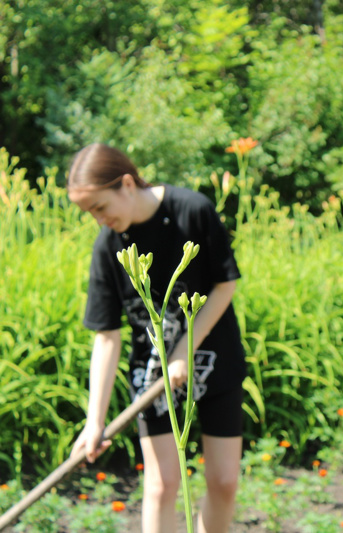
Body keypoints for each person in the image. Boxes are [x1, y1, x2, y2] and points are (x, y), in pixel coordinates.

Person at [67, 143, 247, 533]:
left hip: (216, 362)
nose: (99, 219)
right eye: (89, 213)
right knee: (162, 484)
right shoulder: (110, 247)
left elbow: (224, 285)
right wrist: (94, 421)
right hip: (154, 376)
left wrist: (184, 349)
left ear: (127, 184)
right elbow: (107, 337)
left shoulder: (193, 211)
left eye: (99, 207)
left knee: (224, 482)